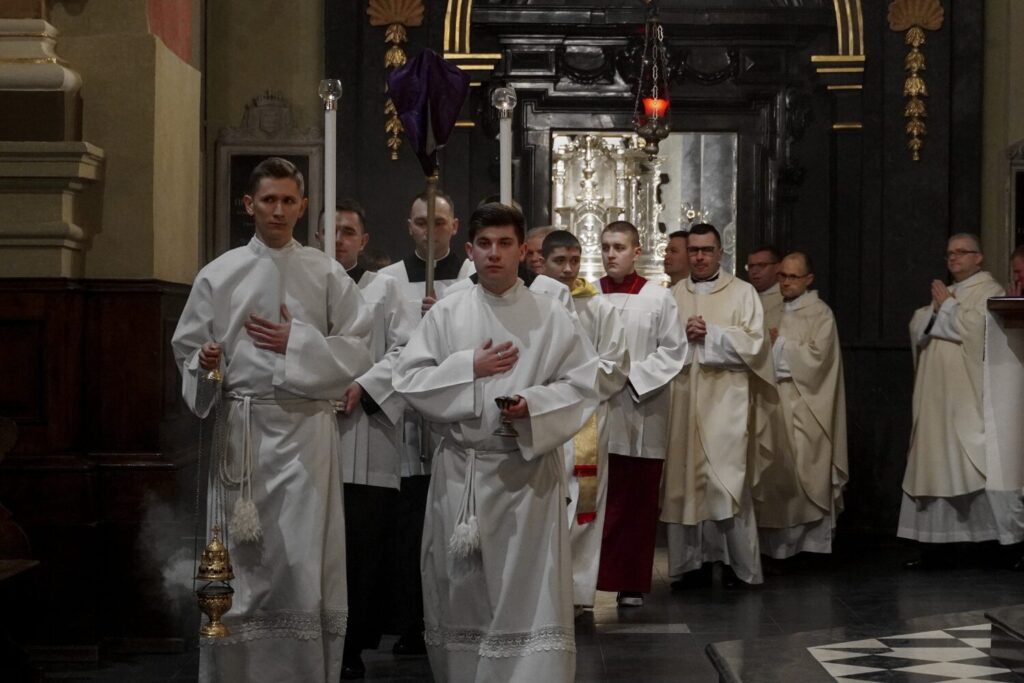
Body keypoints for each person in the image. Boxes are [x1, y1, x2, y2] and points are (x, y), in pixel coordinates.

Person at [172, 157, 372, 682]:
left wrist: (296, 343)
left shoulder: (326, 272)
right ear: (249, 205)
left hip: (307, 435)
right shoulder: (219, 274)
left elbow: (360, 350)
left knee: (301, 564)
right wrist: (206, 366)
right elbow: (191, 352)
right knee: (245, 561)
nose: (278, 210)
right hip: (244, 433)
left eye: (288, 201)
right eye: (268, 200)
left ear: (303, 207)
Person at [392, 203, 599, 682]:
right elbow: (410, 380)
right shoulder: (447, 313)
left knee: (526, 590)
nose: (494, 254)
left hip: (527, 478)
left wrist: (533, 406)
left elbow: (585, 385)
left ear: (523, 251)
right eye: (484, 245)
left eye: (505, 244)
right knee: (463, 591)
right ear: (470, 249)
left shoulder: (550, 314)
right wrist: (469, 367)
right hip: (462, 474)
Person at [317, 201, 415, 678]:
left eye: (348, 232)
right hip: (312, 433)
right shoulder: (304, 283)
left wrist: (366, 386)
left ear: (363, 240)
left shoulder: (384, 289)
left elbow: (408, 348)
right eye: (330, 231)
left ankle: (353, 647)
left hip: (369, 436)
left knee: (364, 547)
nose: (338, 240)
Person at [378, 190, 473, 655]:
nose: (429, 230)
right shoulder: (387, 281)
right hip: (408, 422)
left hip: (460, 422)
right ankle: (413, 622)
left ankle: (459, 617)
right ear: (408, 226)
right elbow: (379, 349)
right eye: (420, 222)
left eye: (439, 222)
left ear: (455, 226)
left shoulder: (478, 278)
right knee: (411, 525)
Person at [899, 234, 1023, 564]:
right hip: (935, 397)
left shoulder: (990, 290)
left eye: (961, 253)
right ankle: (934, 544)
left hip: (966, 396)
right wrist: (941, 313)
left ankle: (986, 544)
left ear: (979, 257)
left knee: (969, 465)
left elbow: (983, 333)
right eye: (950, 254)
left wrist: (947, 308)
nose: (953, 259)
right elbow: (917, 325)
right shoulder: (949, 293)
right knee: (933, 463)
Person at [662, 223, 773, 588]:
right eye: (693, 250)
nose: (699, 256)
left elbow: (757, 346)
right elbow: (658, 347)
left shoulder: (742, 293)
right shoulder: (674, 293)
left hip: (726, 403)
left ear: (721, 252)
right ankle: (688, 565)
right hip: (683, 400)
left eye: (706, 250)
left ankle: (739, 566)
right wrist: (683, 335)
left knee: (726, 483)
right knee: (684, 485)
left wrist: (713, 334)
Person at [594, 221, 687, 607]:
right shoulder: (588, 298)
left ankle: (629, 582)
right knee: (594, 500)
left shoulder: (658, 297)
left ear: (637, 252)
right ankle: (585, 584)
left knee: (635, 500)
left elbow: (674, 350)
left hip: (641, 409)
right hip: (596, 412)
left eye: (619, 247)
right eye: (605, 247)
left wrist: (633, 380)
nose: (611, 254)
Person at [542, 230, 630, 612]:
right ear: (541, 262)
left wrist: (572, 386)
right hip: (542, 417)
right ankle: (542, 592)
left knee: (583, 504)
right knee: (543, 503)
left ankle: (577, 596)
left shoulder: (599, 308)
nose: (567, 269)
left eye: (574, 261)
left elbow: (615, 365)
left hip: (585, 418)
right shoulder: (532, 304)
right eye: (559, 261)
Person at [754, 252, 848, 559]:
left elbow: (819, 360)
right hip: (773, 404)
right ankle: (776, 550)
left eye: (793, 277)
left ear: (808, 279)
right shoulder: (769, 310)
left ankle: (809, 547)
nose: (786, 282)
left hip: (808, 407)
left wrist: (780, 345)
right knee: (776, 476)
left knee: (806, 474)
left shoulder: (821, 313)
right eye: (782, 276)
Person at [746, 246, 783, 331]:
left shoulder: (786, 299)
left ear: (778, 267)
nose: (754, 271)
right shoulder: (744, 297)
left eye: (761, 265)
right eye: (751, 266)